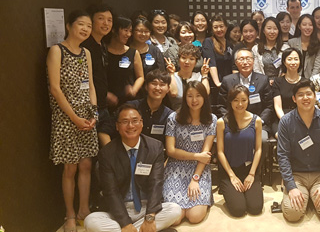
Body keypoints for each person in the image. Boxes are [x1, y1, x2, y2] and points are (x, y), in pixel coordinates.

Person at [84, 104, 182, 232]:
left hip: (146, 208)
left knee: (174, 209)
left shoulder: (155, 147)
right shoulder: (107, 153)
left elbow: (156, 183)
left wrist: (150, 217)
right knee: (90, 221)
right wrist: (125, 223)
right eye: (125, 122)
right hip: (119, 210)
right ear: (117, 126)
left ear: (141, 123)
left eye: (135, 121)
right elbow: (111, 191)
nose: (130, 126)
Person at [47, 10, 99, 232]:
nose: (85, 29)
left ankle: (83, 210)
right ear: (69, 26)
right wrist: (74, 118)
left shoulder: (86, 52)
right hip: (67, 118)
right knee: (70, 168)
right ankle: (69, 214)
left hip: (87, 117)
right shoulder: (56, 50)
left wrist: (94, 114)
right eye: (81, 24)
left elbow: (91, 85)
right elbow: (55, 89)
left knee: (86, 165)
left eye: (88, 25)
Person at [277, 80, 320, 222]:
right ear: (294, 99)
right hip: (297, 175)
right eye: (300, 95)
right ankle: (301, 195)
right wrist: (291, 187)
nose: (305, 98)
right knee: (293, 214)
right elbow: (283, 156)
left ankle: (311, 196)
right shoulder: (285, 121)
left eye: (309, 94)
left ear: (315, 96)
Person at [163, 81, 217, 224]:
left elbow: (205, 155)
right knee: (175, 217)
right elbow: (170, 150)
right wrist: (195, 155)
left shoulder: (212, 120)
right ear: (184, 98)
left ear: (204, 97)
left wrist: (195, 178)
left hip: (199, 167)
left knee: (195, 217)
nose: (194, 100)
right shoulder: (173, 118)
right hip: (176, 166)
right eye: (190, 96)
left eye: (198, 96)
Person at [216, 85, 264, 217]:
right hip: (229, 171)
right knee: (238, 210)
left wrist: (252, 174)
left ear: (249, 100)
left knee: (255, 208)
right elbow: (220, 151)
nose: (240, 104)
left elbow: (259, 149)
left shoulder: (256, 120)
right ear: (230, 101)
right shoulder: (222, 122)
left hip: (249, 169)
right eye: (236, 100)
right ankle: (230, 189)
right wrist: (232, 176)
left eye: (244, 100)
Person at [217, 48, 273, 137]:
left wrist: (259, 121)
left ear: (253, 61)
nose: (245, 62)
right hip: (233, 123)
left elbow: (269, 106)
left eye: (248, 58)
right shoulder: (227, 80)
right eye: (241, 59)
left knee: (263, 139)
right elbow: (222, 106)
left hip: (258, 123)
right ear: (236, 62)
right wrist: (231, 121)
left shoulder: (263, 79)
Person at [81, 4, 113, 143]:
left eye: (109, 20)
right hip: (89, 106)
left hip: (102, 104)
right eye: (101, 18)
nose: (106, 23)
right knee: (88, 150)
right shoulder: (84, 46)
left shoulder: (102, 45)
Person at [106, 16, 144, 110]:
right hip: (108, 103)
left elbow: (140, 77)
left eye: (130, 31)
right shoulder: (103, 51)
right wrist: (105, 94)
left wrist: (134, 90)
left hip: (129, 102)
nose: (128, 34)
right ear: (114, 30)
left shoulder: (133, 53)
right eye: (125, 30)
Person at [165, 43, 210, 111]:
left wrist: (205, 75)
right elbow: (173, 93)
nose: (187, 62)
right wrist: (171, 74)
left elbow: (205, 93)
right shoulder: (172, 76)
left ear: (196, 62)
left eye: (191, 59)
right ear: (178, 59)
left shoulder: (198, 76)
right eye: (183, 58)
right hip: (177, 114)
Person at [272, 48, 305, 136]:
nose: (293, 62)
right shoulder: (278, 82)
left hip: (301, 118)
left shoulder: (306, 82)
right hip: (281, 119)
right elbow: (278, 106)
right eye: (289, 59)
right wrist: (286, 121)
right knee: (282, 137)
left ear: (300, 62)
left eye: (296, 59)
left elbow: (307, 105)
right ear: (284, 62)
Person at [288, 14, 320, 79]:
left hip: (313, 80)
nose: (307, 27)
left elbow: (318, 66)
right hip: (294, 79)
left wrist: (311, 83)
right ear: (299, 26)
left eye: (310, 25)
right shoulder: (291, 43)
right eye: (304, 25)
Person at [252, 16, 289, 82]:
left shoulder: (285, 48)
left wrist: (278, 81)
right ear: (263, 30)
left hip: (281, 83)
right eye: (269, 28)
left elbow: (287, 69)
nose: (272, 32)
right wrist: (266, 82)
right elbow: (256, 69)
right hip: (262, 83)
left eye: (275, 29)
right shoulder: (256, 49)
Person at [203, 14, 233, 92]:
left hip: (228, 84)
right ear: (212, 29)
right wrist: (217, 83)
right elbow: (211, 63)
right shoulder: (208, 42)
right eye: (215, 27)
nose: (219, 29)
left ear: (226, 27)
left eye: (221, 26)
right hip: (215, 85)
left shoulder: (229, 44)